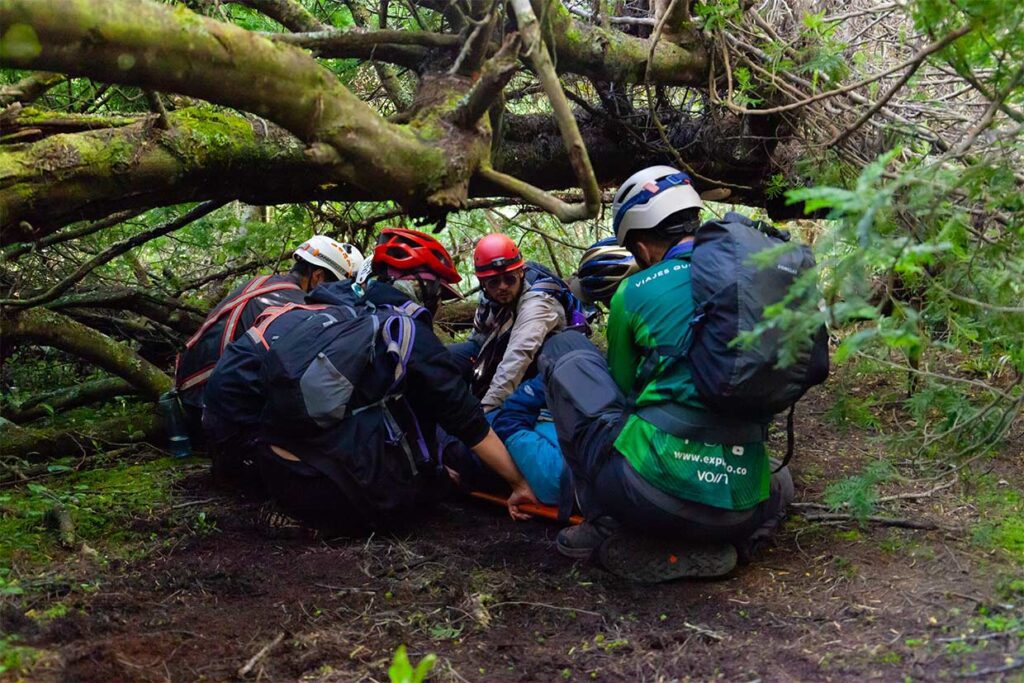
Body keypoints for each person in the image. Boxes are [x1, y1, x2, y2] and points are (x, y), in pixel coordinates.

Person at [541, 166, 794, 582]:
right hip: (744, 501)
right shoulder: (754, 281)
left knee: (563, 348)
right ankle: (745, 539)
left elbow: (623, 394)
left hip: (649, 497)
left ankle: (605, 525)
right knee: (778, 476)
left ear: (640, 245)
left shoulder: (634, 291)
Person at [256, 228, 538, 536]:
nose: (439, 304)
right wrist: (519, 482)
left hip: (271, 463)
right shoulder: (408, 334)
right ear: (420, 286)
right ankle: (325, 514)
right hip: (324, 485)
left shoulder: (334, 301)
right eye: (438, 293)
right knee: (427, 491)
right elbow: (468, 421)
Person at [172, 235, 364, 436]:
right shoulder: (295, 307)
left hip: (190, 391)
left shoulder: (260, 283)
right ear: (318, 277)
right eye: (335, 286)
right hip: (210, 408)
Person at [449, 234, 578, 412]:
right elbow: (479, 338)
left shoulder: (538, 301)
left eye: (509, 279)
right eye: (494, 282)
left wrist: (487, 408)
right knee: (449, 358)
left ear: (521, 272)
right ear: (483, 283)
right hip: (502, 350)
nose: (502, 287)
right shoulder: (489, 299)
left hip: (541, 362)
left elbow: (519, 354)